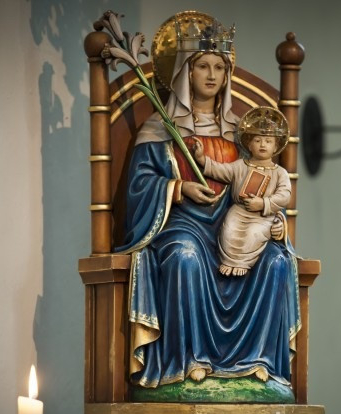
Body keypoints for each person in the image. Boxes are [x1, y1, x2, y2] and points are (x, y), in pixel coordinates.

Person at [115, 15, 301, 390]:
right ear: (186, 71)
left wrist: (276, 222)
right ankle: (190, 362)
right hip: (182, 226)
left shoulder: (242, 131)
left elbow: (267, 182)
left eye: (219, 67)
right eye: (203, 66)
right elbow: (138, 187)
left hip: (236, 226)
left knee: (278, 261)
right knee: (184, 257)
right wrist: (179, 188)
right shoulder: (159, 128)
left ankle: (260, 363)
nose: (212, 75)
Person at [192, 107, 292, 277]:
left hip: (262, 217)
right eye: (258, 140)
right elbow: (220, 170)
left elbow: (284, 196)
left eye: (268, 141)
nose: (263, 145)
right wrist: (202, 159)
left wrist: (263, 203)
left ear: (275, 146)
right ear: (249, 144)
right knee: (229, 230)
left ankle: (242, 263)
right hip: (239, 211)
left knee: (254, 233)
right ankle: (230, 261)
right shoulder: (240, 166)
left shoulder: (279, 172)